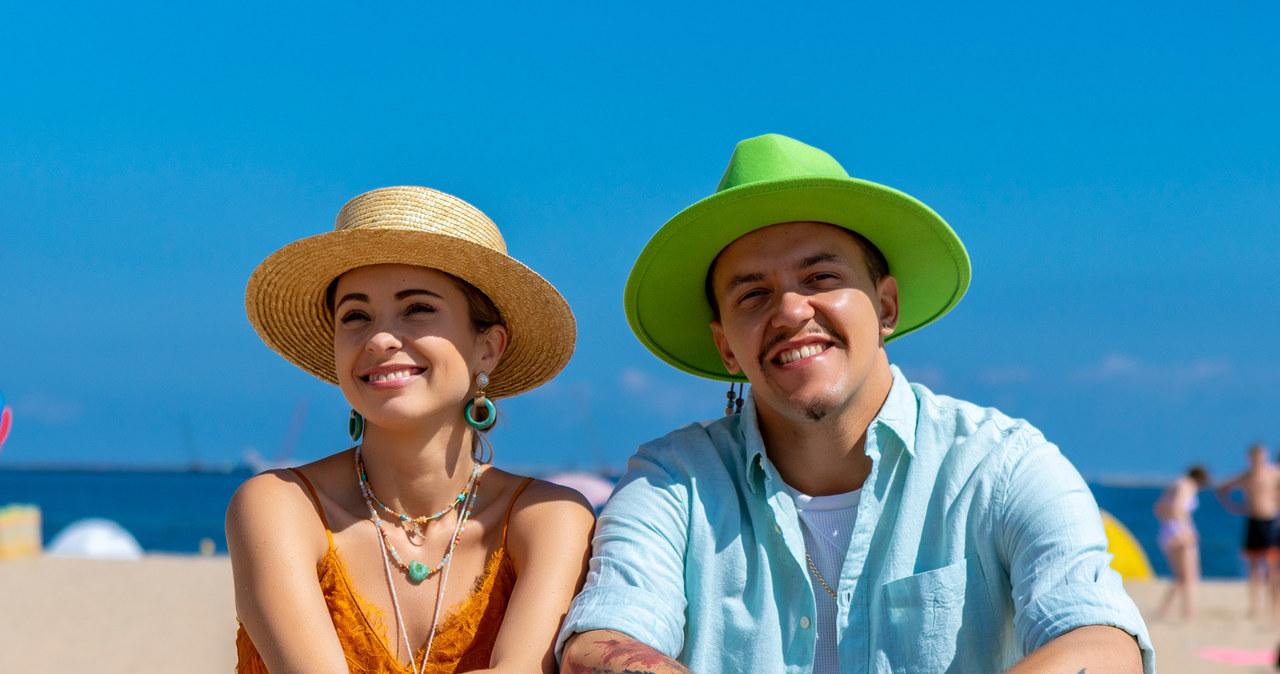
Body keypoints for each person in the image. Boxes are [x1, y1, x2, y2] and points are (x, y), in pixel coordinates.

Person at [558, 134, 1153, 673]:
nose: (791, 311)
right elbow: (600, 640)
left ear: (886, 306)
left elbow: (1101, 638)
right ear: (726, 348)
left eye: (820, 277)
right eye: (753, 294)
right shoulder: (673, 482)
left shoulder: (1000, 466)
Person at [228, 186, 595, 673]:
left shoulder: (548, 518)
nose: (379, 339)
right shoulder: (280, 506)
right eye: (354, 315)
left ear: (487, 348)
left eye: (418, 308)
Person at [1215, 443, 1280, 619]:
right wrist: (1234, 507)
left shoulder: (1274, 473)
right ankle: (1255, 609)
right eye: (1255, 457)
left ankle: (1274, 609)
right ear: (1250, 458)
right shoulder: (1246, 476)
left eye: (1262, 457)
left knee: (1273, 570)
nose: (1259, 460)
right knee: (1253, 569)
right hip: (1252, 522)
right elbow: (1221, 489)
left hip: (1269, 522)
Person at [1153, 465, 1210, 620]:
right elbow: (1178, 507)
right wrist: (1185, 530)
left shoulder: (1175, 484)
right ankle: (1188, 614)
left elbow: (1158, 508)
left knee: (1180, 577)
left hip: (1168, 530)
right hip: (1179, 532)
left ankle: (1163, 611)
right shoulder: (1188, 485)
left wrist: (1169, 524)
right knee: (1190, 576)